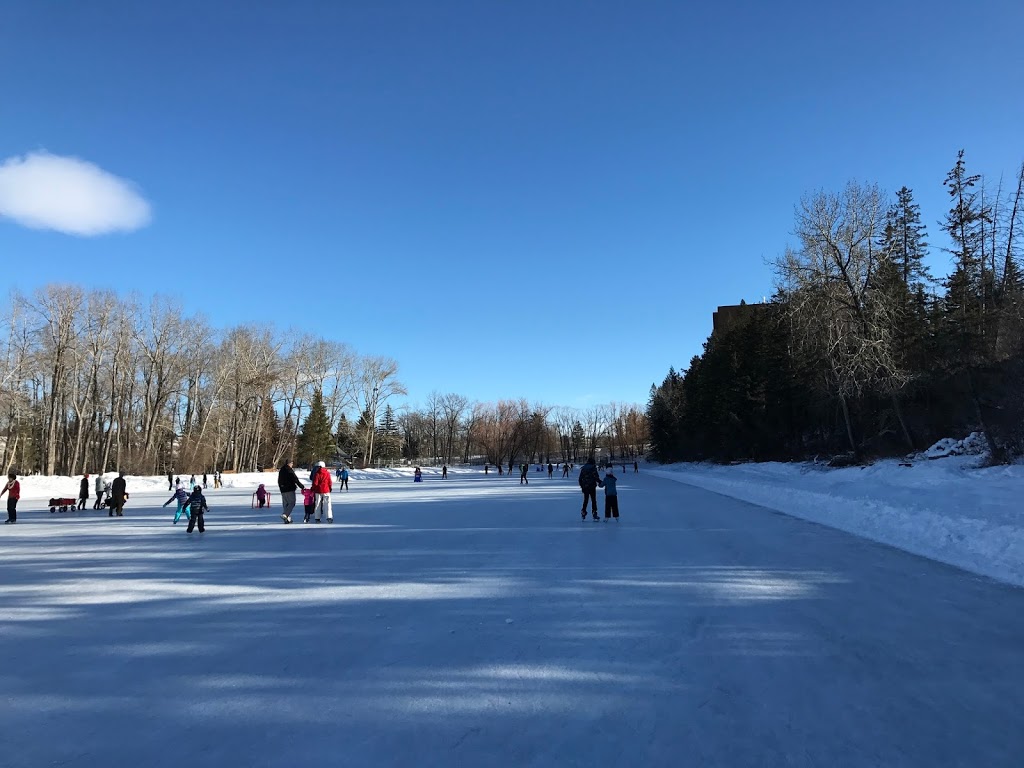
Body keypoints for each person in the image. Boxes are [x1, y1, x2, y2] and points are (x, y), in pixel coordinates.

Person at [277, 458, 304, 524]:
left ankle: (287, 519)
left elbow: (279, 480)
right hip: (289, 489)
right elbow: (295, 479)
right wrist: (301, 486)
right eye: (292, 463)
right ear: (289, 463)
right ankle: (285, 514)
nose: (292, 465)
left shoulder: (282, 470)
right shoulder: (289, 470)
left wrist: (281, 487)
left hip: (283, 489)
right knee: (292, 503)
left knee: (286, 504)